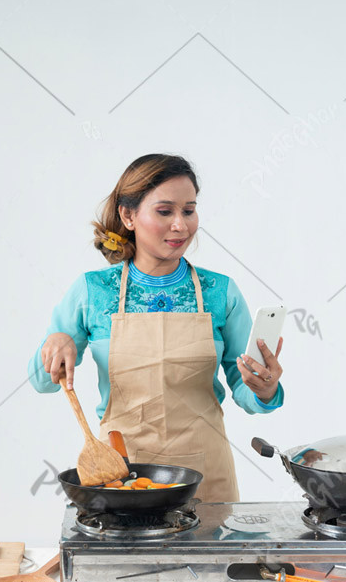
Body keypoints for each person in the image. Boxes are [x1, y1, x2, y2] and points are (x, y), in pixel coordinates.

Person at [27, 154, 284, 502]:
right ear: (128, 215)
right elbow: (43, 382)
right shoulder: (92, 291)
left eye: (189, 211)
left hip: (205, 478)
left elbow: (243, 387)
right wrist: (55, 342)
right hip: (121, 476)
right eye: (165, 212)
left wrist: (264, 390)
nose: (181, 225)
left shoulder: (219, 292)